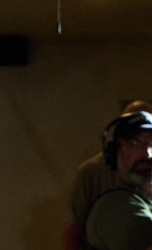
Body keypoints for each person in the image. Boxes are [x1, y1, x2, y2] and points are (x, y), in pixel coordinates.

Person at [61, 101, 152, 250]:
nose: (147, 154)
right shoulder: (92, 174)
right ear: (114, 150)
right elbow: (72, 232)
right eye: (135, 144)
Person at [85, 111, 152, 250]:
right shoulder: (118, 208)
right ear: (113, 154)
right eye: (134, 144)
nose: (147, 153)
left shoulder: (142, 199)